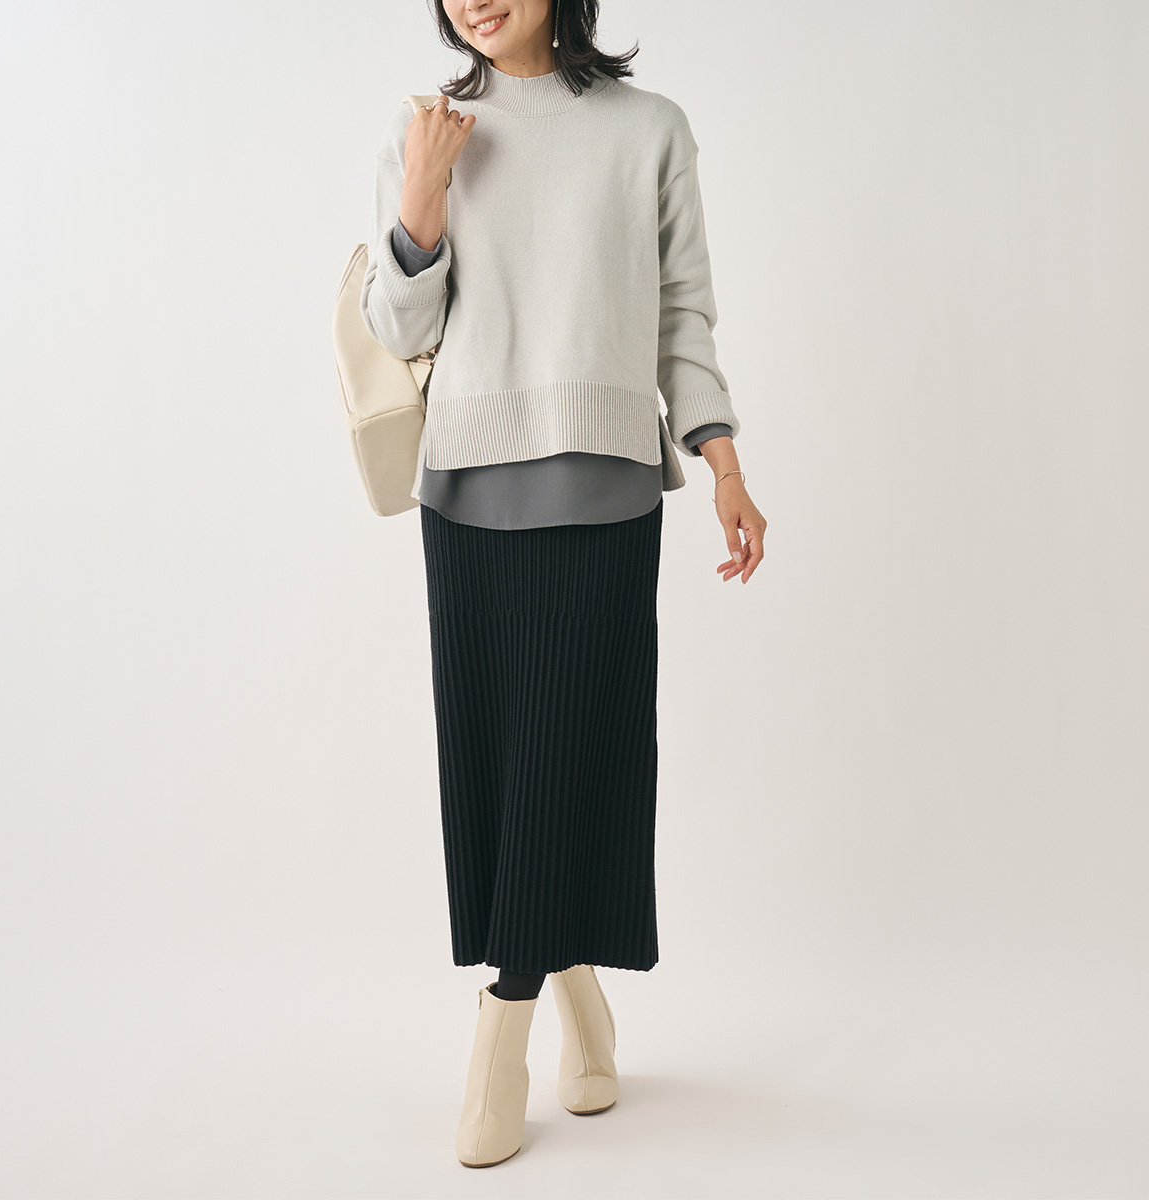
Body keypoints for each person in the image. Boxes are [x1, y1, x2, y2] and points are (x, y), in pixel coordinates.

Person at [359, 0, 767, 1168]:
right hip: (467, 490)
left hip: (606, 486)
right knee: (498, 766)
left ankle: (504, 1023)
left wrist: (723, 461)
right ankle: (578, 989)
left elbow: (683, 315)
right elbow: (400, 325)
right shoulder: (427, 132)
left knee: (574, 750)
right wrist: (423, 193)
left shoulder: (649, 130)